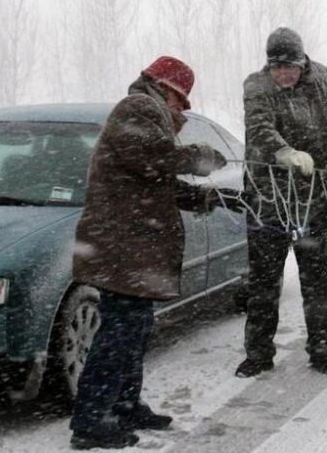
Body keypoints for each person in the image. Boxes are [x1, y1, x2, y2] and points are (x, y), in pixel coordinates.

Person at [70, 56, 229, 450]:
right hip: (123, 249)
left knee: (133, 333)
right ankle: (91, 421)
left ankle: (124, 405)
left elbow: (154, 179)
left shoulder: (145, 112)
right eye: (181, 101)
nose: (181, 110)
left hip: (131, 250)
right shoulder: (138, 107)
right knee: (118, 336)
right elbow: (154, 158)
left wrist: (206, 197)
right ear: (165, 88)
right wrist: (200, 157)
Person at [236, 27, 327, 378]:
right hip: (268, 199)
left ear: (303, 63)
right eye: (277, 68)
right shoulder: (257, 85)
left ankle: (322, 351)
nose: (284, 74)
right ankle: (258, 354)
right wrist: (285, 152)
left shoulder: (324, 80)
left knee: (317, 281)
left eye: (291, 67)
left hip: (313, 199)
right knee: (264, 283)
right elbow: (259, 127)